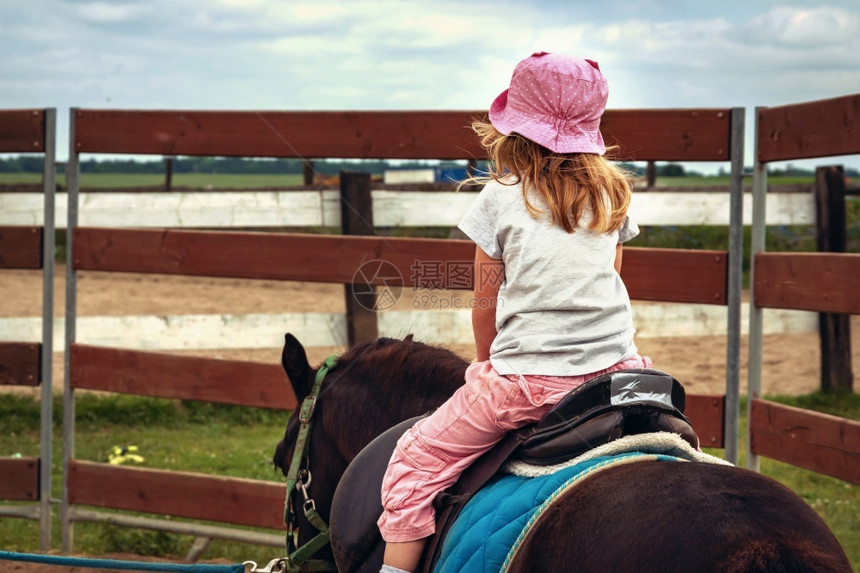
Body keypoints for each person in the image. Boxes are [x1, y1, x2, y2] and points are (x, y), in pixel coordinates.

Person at [377, 51, 651, 573]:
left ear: (515, 132)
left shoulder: (500, 199)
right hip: (620, 374)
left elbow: (486, 302)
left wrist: (485, 365)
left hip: (527, 382)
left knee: (415, 462)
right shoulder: (615, 194)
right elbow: (613, 278)